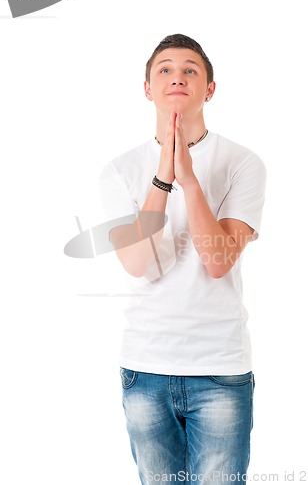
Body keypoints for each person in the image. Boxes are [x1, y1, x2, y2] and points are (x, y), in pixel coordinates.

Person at [100, 34, 266, 485]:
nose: (178, 77)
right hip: (145, 369)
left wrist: (190, 181)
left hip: (220, 371)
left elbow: (217, 261)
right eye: (165, 70)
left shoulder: (242, 163)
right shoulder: (120, 170)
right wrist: (163, 179)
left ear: (209, 88)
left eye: (191, 69)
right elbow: (140, 265)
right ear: (148, 88)